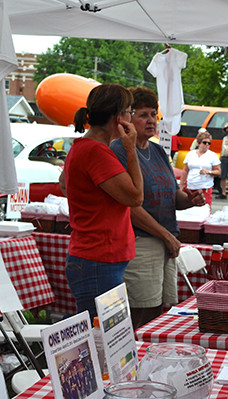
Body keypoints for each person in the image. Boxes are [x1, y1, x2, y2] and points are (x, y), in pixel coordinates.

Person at [110, 87, 205, 329]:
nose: (151, 120)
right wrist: (165, 235)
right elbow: (129, 206)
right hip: (140, 243)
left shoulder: (158, 152)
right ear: (126, 119)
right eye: (143, 115)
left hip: (165, 244)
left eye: (154, 114)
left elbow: (172, 196)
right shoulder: (119, 151)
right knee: (138, 316)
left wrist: (190, 199)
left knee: (156, 314)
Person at [61, 84, 143, 320]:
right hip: (98, 258)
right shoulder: (96, 152)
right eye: (129, 111)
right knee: (103, 340)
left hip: (95, 257)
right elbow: (136, 196)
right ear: (119, 118)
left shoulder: (83, 148)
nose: (132, 116)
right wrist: (131, 148)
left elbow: (64, 184)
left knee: (104, 338)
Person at [178, 131, 221, 208]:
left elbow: (218, 171)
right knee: (188, 210)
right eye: (205, 142)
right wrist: (181, 185)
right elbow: (185, 170)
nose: (207, 145)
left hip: (204, 188)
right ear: (198, 143)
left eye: (209, 143)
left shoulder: (212, 155)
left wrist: (208, 172)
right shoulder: (190, 154)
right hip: (190, 187)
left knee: (204, 210)